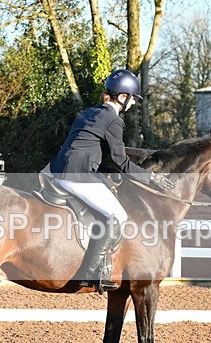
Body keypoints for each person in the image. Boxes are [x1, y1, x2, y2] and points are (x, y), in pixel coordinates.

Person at [43, 69, 174, 293]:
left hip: (56, 170)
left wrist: (104, 173)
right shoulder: (113, 120)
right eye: (133, 98)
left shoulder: (89, 112)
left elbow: (87, 149)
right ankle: (92, 273)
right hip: (77, 175)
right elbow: (122, 161)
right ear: (123, 97)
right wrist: (151, 177)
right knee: (118, 216)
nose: (133, 104)